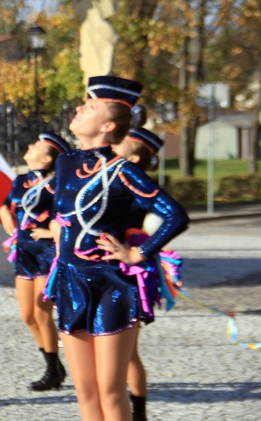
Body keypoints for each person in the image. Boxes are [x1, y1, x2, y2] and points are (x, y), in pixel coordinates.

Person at [44, 75, 189, 420]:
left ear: (107, 125)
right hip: (70, 282)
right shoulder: (65, 163)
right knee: (86, 393)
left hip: (111, 285)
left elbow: (175, 215)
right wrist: (55, 227)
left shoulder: (123, 170)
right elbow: (59, 213)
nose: (79, 108)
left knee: (110, 393)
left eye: (89, 107)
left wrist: (139, 253)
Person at [0, 132, 71, 391]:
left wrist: (52, 232)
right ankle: (54, 364)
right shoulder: (20, 180)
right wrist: (3, 210)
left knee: (42, 312)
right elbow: (7, 203)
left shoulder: (59, 184)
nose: (29, 146)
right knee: (28, 315)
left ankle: (52, 370)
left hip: (46, 252)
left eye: (36, 146)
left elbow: (68, 215)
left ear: (48, 157)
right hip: (24, 251)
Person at [113, 126, 164, 421]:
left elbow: (164, 221)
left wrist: (138, 250)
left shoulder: (142, 189)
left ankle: (139, 413)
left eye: (123, 143)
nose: (115, 144)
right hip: (98, 272)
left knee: (129, 351)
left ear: (134, 158)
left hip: (127, 276)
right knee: (125, 352)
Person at [73, 0, 118, 86]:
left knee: (103, 63)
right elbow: (81, 11)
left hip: (102, 31)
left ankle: (100, 86)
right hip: (91, 31)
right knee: (92, 63)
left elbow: (109, 11)